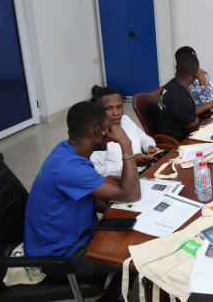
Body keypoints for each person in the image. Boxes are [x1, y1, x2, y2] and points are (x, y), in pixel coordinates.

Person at [24, 101, 140, 293]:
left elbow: (87, 196)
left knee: (136, 228)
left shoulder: (66, 149)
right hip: (64, 256)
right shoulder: (69, 168)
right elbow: (131, 194)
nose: (112, 134)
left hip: (72, 237)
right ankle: (114, 294)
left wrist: (112, 199)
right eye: (108, 129)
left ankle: (118, 290)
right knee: (143, 253)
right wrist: (125, 144)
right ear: (97, 132)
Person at [90, 86, 162, 177]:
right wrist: (130, 162)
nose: (116, 113)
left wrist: (150, 148)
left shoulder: (125, 120)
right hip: (123, 180)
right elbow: (95, 169)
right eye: (108, 108)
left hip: (145, 171)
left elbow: (144, 138)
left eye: (119, 107)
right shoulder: (97, 135)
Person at [157, 52, 213, 142]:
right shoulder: (182, 99)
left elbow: (187, 113)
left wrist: (211, 104)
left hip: (170, 130)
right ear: (194, 74)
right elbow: (195, 129)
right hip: (183, 141)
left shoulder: (170, 85)